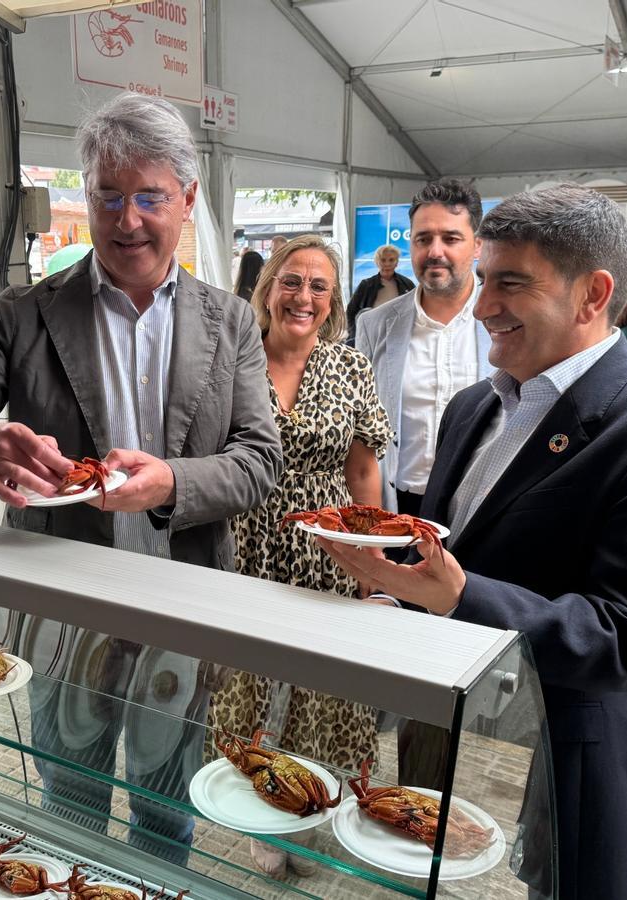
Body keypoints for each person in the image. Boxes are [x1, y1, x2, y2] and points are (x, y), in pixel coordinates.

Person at [0, 92, 281, 864]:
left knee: (166, 813)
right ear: (85, 198)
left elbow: (259, 461)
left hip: (183, 607)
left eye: (149, 197)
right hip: (62, 611)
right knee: (69, 804)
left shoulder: (228, 322)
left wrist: (171, 482)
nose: (127, 220)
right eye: (107, 196)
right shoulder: (24, 315)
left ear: (188, 200)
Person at [316, 185, 627, 900]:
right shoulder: (474, 406)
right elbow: (451, 555)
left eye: (510, 284)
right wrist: (395, 588)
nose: (480, 309)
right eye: (486, 280)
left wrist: (461, 595)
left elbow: (626, 640)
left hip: (558, 767)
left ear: (592, 294)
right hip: (448, 737)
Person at [206, 234, 390, 878]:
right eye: (291, 281)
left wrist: (374, 565)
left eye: (318, 286)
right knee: (242, 680)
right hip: (247, 537)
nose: (303, 296)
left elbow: (364, 472)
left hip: (328, 545)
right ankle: (258, 801)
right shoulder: (233, 358)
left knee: (323, 686)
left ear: (333, 300)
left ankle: (310, 814)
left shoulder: (349, 367)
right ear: (268, 289)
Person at [356, 179, 494, 518]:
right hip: (398, 511)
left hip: (478, 511)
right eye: (423, 239)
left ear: (477, 246)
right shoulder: (375, 325)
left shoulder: (506, 321)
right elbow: (362, 432)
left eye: (450, 238)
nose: (435, 251)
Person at [345, 244, 416, 343]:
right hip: (370, 336)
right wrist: (354, 334)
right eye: (383, 260)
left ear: (397, 263)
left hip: (399, 335)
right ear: (377, 262)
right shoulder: (366, 285)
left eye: (391, 260)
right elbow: (351, 310)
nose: (387, 264)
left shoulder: (407, 284)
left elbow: (416, 310)